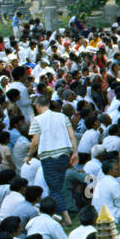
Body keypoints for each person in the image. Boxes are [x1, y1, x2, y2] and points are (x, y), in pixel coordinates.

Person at [29, 94, 79, 226]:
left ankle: (66, 218)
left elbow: (35, 141)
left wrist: (29, 155)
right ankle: (62, 213)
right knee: (59, 186)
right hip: (64, 154)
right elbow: (72, 135)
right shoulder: (62, 116)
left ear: (37, 106)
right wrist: (75, 152)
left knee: (55, 188)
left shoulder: (37, 119)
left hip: (48, 156)